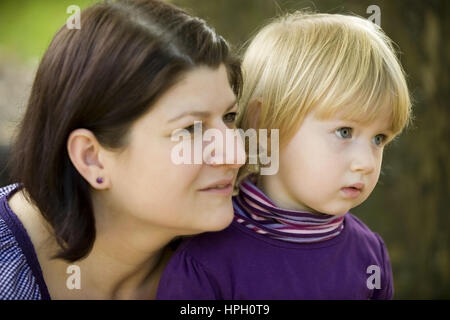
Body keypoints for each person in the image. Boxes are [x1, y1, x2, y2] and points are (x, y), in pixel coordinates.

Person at [156, 11, 412, 299]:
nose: (366, 163)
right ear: (263, 124)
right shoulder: (207, 263)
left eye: (379, 139)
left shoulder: (370, 256)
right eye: (344, 132)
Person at [0, 0, 245, 299]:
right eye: (191, 129)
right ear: (92, 158)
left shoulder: (238, 269)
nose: (236, 155)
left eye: (230, 118)